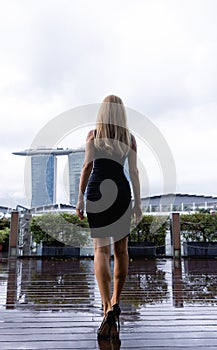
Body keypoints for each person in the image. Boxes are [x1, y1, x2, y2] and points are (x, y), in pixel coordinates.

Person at [76, 95, 142, 338]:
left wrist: (80, 198)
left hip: (96, 193)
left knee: (100, 251)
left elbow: (86, 167)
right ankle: (115, 302)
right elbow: (133, 172)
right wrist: (138, 203)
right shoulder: (129, 138)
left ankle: (105, 307)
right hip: (121, 193)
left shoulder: (93, 136)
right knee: (121, 251)